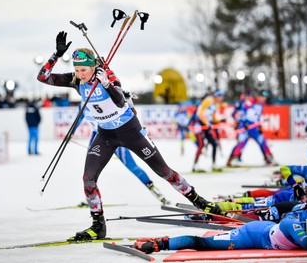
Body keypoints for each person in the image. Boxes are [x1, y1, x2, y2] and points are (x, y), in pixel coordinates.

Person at [36, 31, 224, 241]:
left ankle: (200, 202)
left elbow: (119, 101)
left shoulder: (107, 75)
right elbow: (42, 77)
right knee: (88, 179)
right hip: (106, 134)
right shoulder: (75, 80)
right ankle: (98, 225)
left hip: (130, 131)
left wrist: (106, 83)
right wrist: (56, 55)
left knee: (164, 171)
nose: (80, 74)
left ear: (93, 66)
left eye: (84, 70)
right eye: (77, 70)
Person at [134, 173, 307, 253]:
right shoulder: (293, 221)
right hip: (253, 235)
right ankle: (158, 244)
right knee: (201, 244)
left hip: (267, 228)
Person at [73, 94, 170, 205]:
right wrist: (71, 133)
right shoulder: (83, 104)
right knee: (90, 171)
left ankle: (156, 192)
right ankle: (91, 198)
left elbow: (126, 112)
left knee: (132, 167)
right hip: (97, 136)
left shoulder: (104, 97)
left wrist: (128, 101)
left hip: (114, 134)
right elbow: (79, 118)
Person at [226, 90, 275, 166]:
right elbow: (243, 111)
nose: (264, 99)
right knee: (241, 142)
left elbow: (258, 116)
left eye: (265, 97)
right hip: (245, 125)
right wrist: (244, 122)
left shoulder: (261, 104)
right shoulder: (251, 102)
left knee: (262, 141)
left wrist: (259, 126)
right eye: (262, 97)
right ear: (258, 96)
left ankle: (268, 158)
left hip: (254, 127)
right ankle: (232, 159)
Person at [191, 90, 225, 172]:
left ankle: (214, 164)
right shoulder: (208, 100)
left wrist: (220, 121)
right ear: (217, 96)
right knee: (201, 145)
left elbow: (213, 117)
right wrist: (207, 123)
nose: (221, 98)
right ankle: (195, 166)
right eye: (220, 96)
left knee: (214, 144)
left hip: (205, 125)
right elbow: (200, 113)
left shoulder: (215, 104)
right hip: (199, 125)